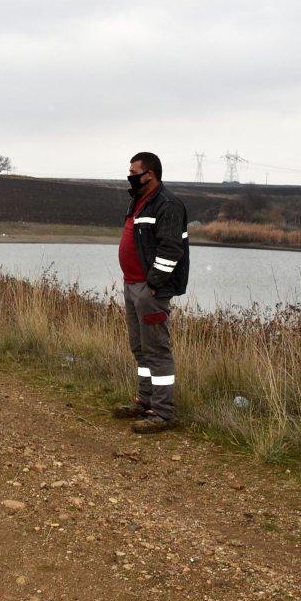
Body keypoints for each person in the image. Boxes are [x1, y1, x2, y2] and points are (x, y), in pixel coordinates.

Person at [112, 151, 190, 434]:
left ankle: (163, 412)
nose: (130, 176)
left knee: (156, 349)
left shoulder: (168, 205)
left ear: (151, 174)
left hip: (149, 290)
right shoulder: (139, 201)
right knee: (140, 347)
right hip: (132, 285)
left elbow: (171, 250)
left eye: (135, 171)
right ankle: (145, 401)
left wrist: (153, 284)